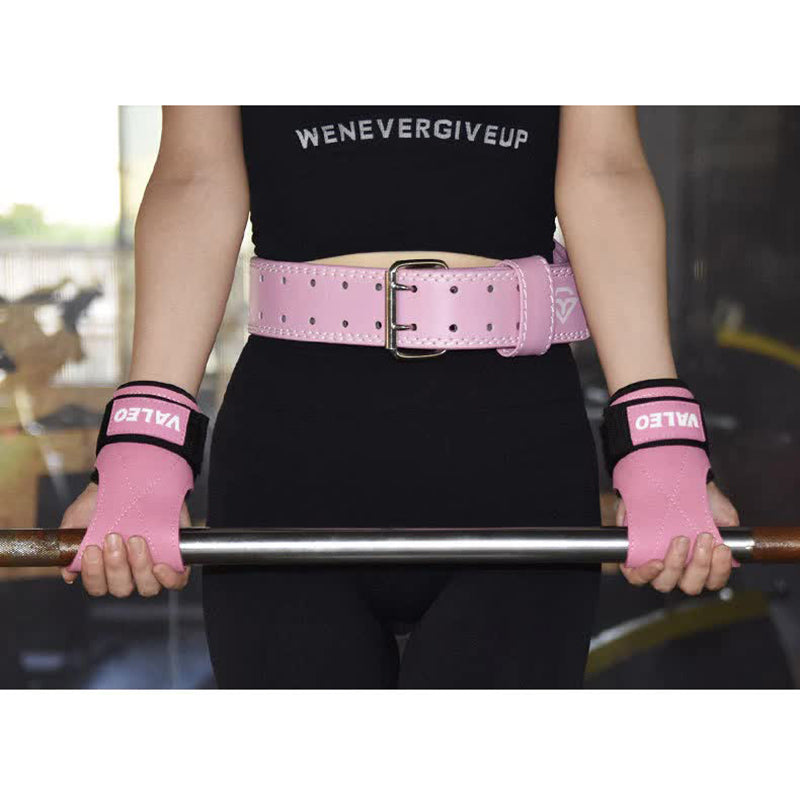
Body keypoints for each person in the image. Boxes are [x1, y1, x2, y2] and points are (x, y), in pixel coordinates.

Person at [59, 106, 740, 688]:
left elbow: (606, 171)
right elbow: (194, 178)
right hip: (290, 453)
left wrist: (658, 439)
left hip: (514, 453)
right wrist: (147, 443)